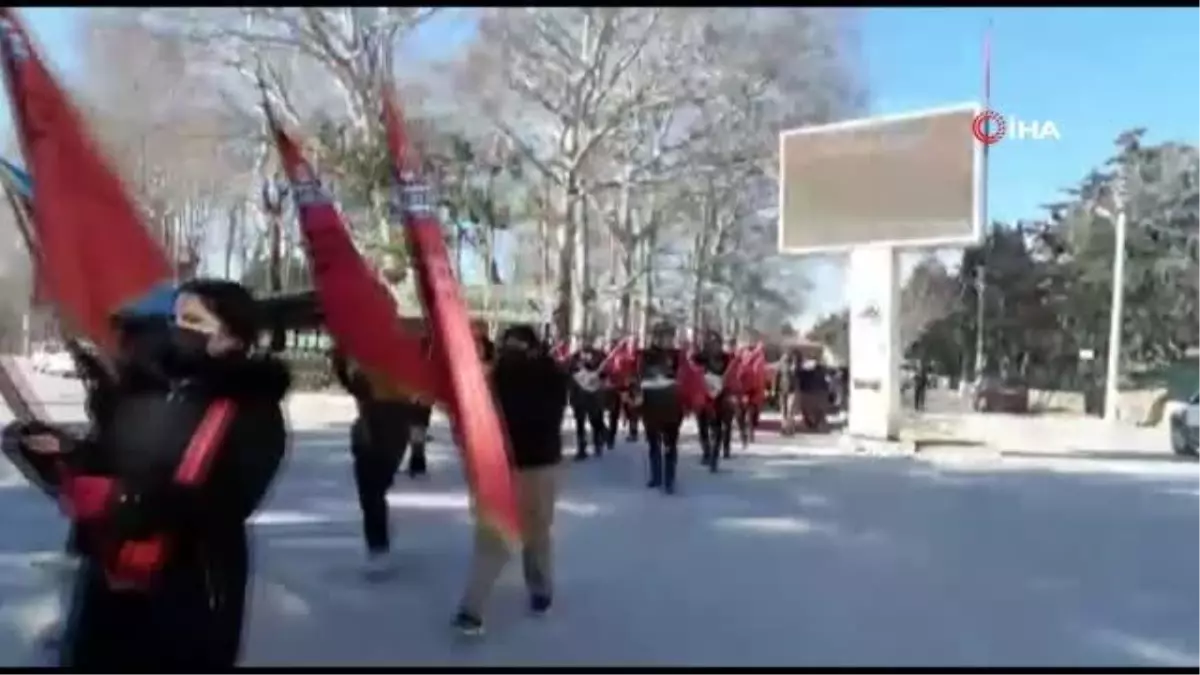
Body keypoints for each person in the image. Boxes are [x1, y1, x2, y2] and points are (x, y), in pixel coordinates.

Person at [6, 278, 290, 668]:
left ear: (233, 337)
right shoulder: (143, 392)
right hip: (109, 583)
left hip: (190, 592)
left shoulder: (252, 408)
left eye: (193, 319)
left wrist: (127, 500)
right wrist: (59, 454)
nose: (177, 328)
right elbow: (101, 464)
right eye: (175, 316)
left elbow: (226, 503)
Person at [454, 324, 568, 636]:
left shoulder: (492, 379)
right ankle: (540, 592)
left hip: (501, 466)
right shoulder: (552, 375)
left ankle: (473, 609)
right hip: (539, 465)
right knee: (537, 533)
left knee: (494, 539)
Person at [331, 348, 420, 575]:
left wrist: (341, 362)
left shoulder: (389, 368)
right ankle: (378, 543)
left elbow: (355, 386)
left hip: (384, 427)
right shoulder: (378, 367)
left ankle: (378, 543)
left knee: (373, 490)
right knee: (373, 490)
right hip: (380, 427)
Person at [634, 322, 685, 494]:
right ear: (655, 337)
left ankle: (669, 480)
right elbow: (639, 376)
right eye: (663, 335)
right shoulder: (646, 355)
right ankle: (656, 476)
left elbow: (685, 377)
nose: (667, 339)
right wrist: (637, 396)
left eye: (669, 336)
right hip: (651, 406)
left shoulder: (678, 356)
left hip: (672, 406)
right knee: (654, 443)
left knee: (670, 444)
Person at [693, 330, 735, 471]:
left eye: (717, 342)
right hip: (702, 397)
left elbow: (732, 375)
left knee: (717, 429)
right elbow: (690, 367)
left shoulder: (727, 358)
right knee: (702, 426)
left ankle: (714, 457)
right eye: (711, 342)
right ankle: (706, 452)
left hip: (719, 398)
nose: (714, 345)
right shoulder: (700, 357)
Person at [567, 334, 609, 460]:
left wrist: (599, 377)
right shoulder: (575, 357)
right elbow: (570, 373)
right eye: (581, 340)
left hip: (594, 394)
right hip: (579, 394)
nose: (584, 343)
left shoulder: (600, 356)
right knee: (580, 422)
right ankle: (581, 448)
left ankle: (598, 441)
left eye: (586, 339)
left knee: (595, 420)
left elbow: (605, 373)